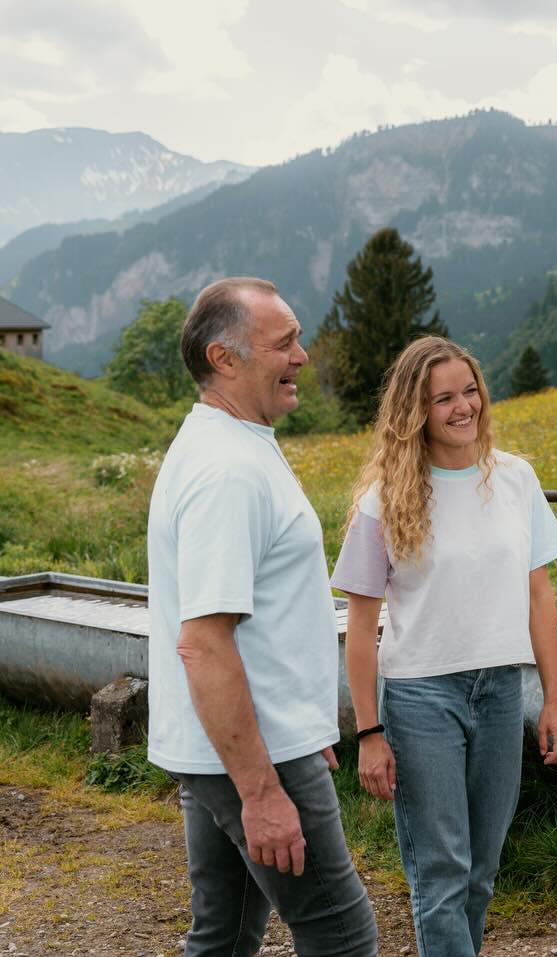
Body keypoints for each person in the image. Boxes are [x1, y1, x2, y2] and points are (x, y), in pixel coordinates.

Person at [147, 277, 378, 956]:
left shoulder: (232, 444)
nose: (302, 355)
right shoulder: (226, 471)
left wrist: (305, 719)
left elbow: (260, 615)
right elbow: (204, 644)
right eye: (285, 342)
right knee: (341, 934)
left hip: (250, 740)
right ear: (225, 359)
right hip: (254, 754)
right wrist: (263, 789)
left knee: (222, 939)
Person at [331, 336, 557, 957]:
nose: (463, 406)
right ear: (416, 411)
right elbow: (360, 626)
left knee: (481, 870)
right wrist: (369, 732)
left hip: (500, 692)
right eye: (444, 398)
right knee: (441, 875)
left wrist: (552, 698)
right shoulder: (384, 498)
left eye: (470, 391)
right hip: (421, 699)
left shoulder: (515, 478)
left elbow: (540, 597)